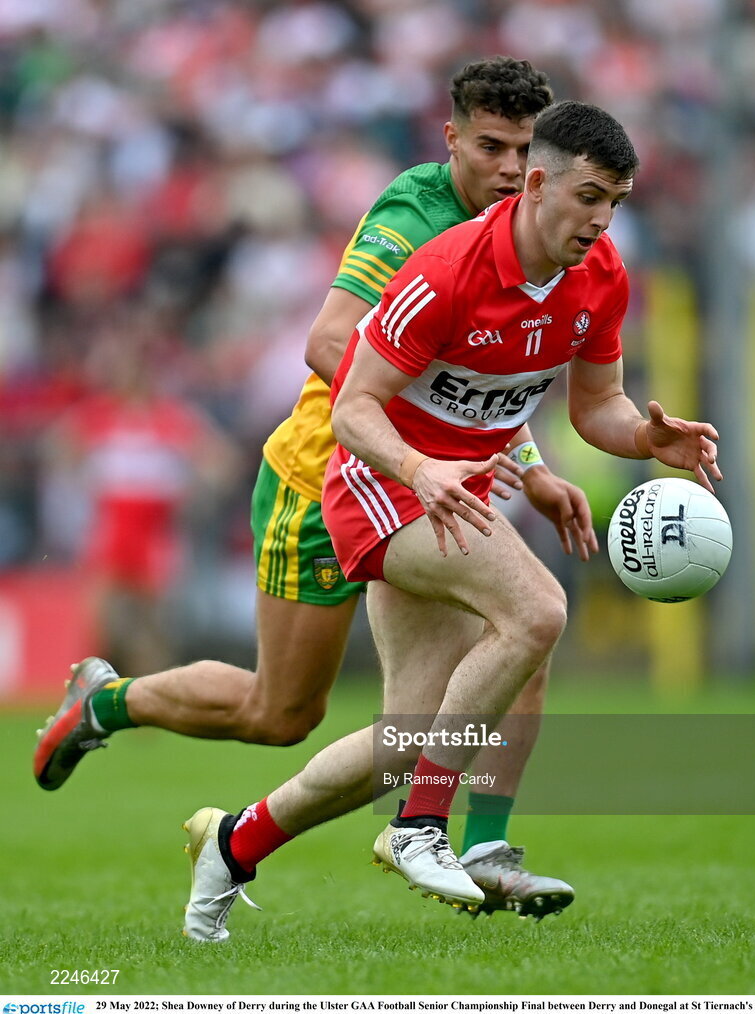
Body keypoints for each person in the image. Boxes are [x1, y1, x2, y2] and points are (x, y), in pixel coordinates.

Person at [34, 58, 596, 920]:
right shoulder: (415, 215)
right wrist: (418, 455)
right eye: (491, 147)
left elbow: (477, 377)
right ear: (451, 139)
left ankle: (477, 843)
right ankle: (107, 702)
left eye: (526, 150)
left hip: (427, 486)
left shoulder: (533, 233)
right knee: (280, 711)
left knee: (515, 631)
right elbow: (333, 344)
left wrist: (526, 465)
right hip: (323, 474)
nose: (511, 170)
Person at [177, 99, 722, 942]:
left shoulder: (602, 273)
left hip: (455, 495)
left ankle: (232, 842)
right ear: (538, 184)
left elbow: (599, 405)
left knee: (404, 739)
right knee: (535, 611)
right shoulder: (445, 268)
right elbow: (353, 404)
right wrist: (421, 468)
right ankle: (429, 829)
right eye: (587, 197)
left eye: (614, 200)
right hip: (379, 482)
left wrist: (648, 439)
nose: (601, 219)